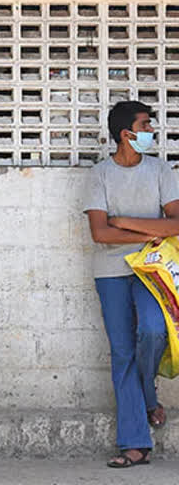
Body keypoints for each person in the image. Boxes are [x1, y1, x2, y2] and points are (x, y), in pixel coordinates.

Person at [84, 100, 179, 468]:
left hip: (153, 269)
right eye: (146, 126)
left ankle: (147, 392)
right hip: (111, 272)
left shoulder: (161, 170)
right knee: (122, 353)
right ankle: (134, 443)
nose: (152, 132)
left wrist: (122, 220)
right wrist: (147, 228)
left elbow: (176, 225)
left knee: (154, 332)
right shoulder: (100, 174)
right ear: (127, 134)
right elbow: (99, 233)